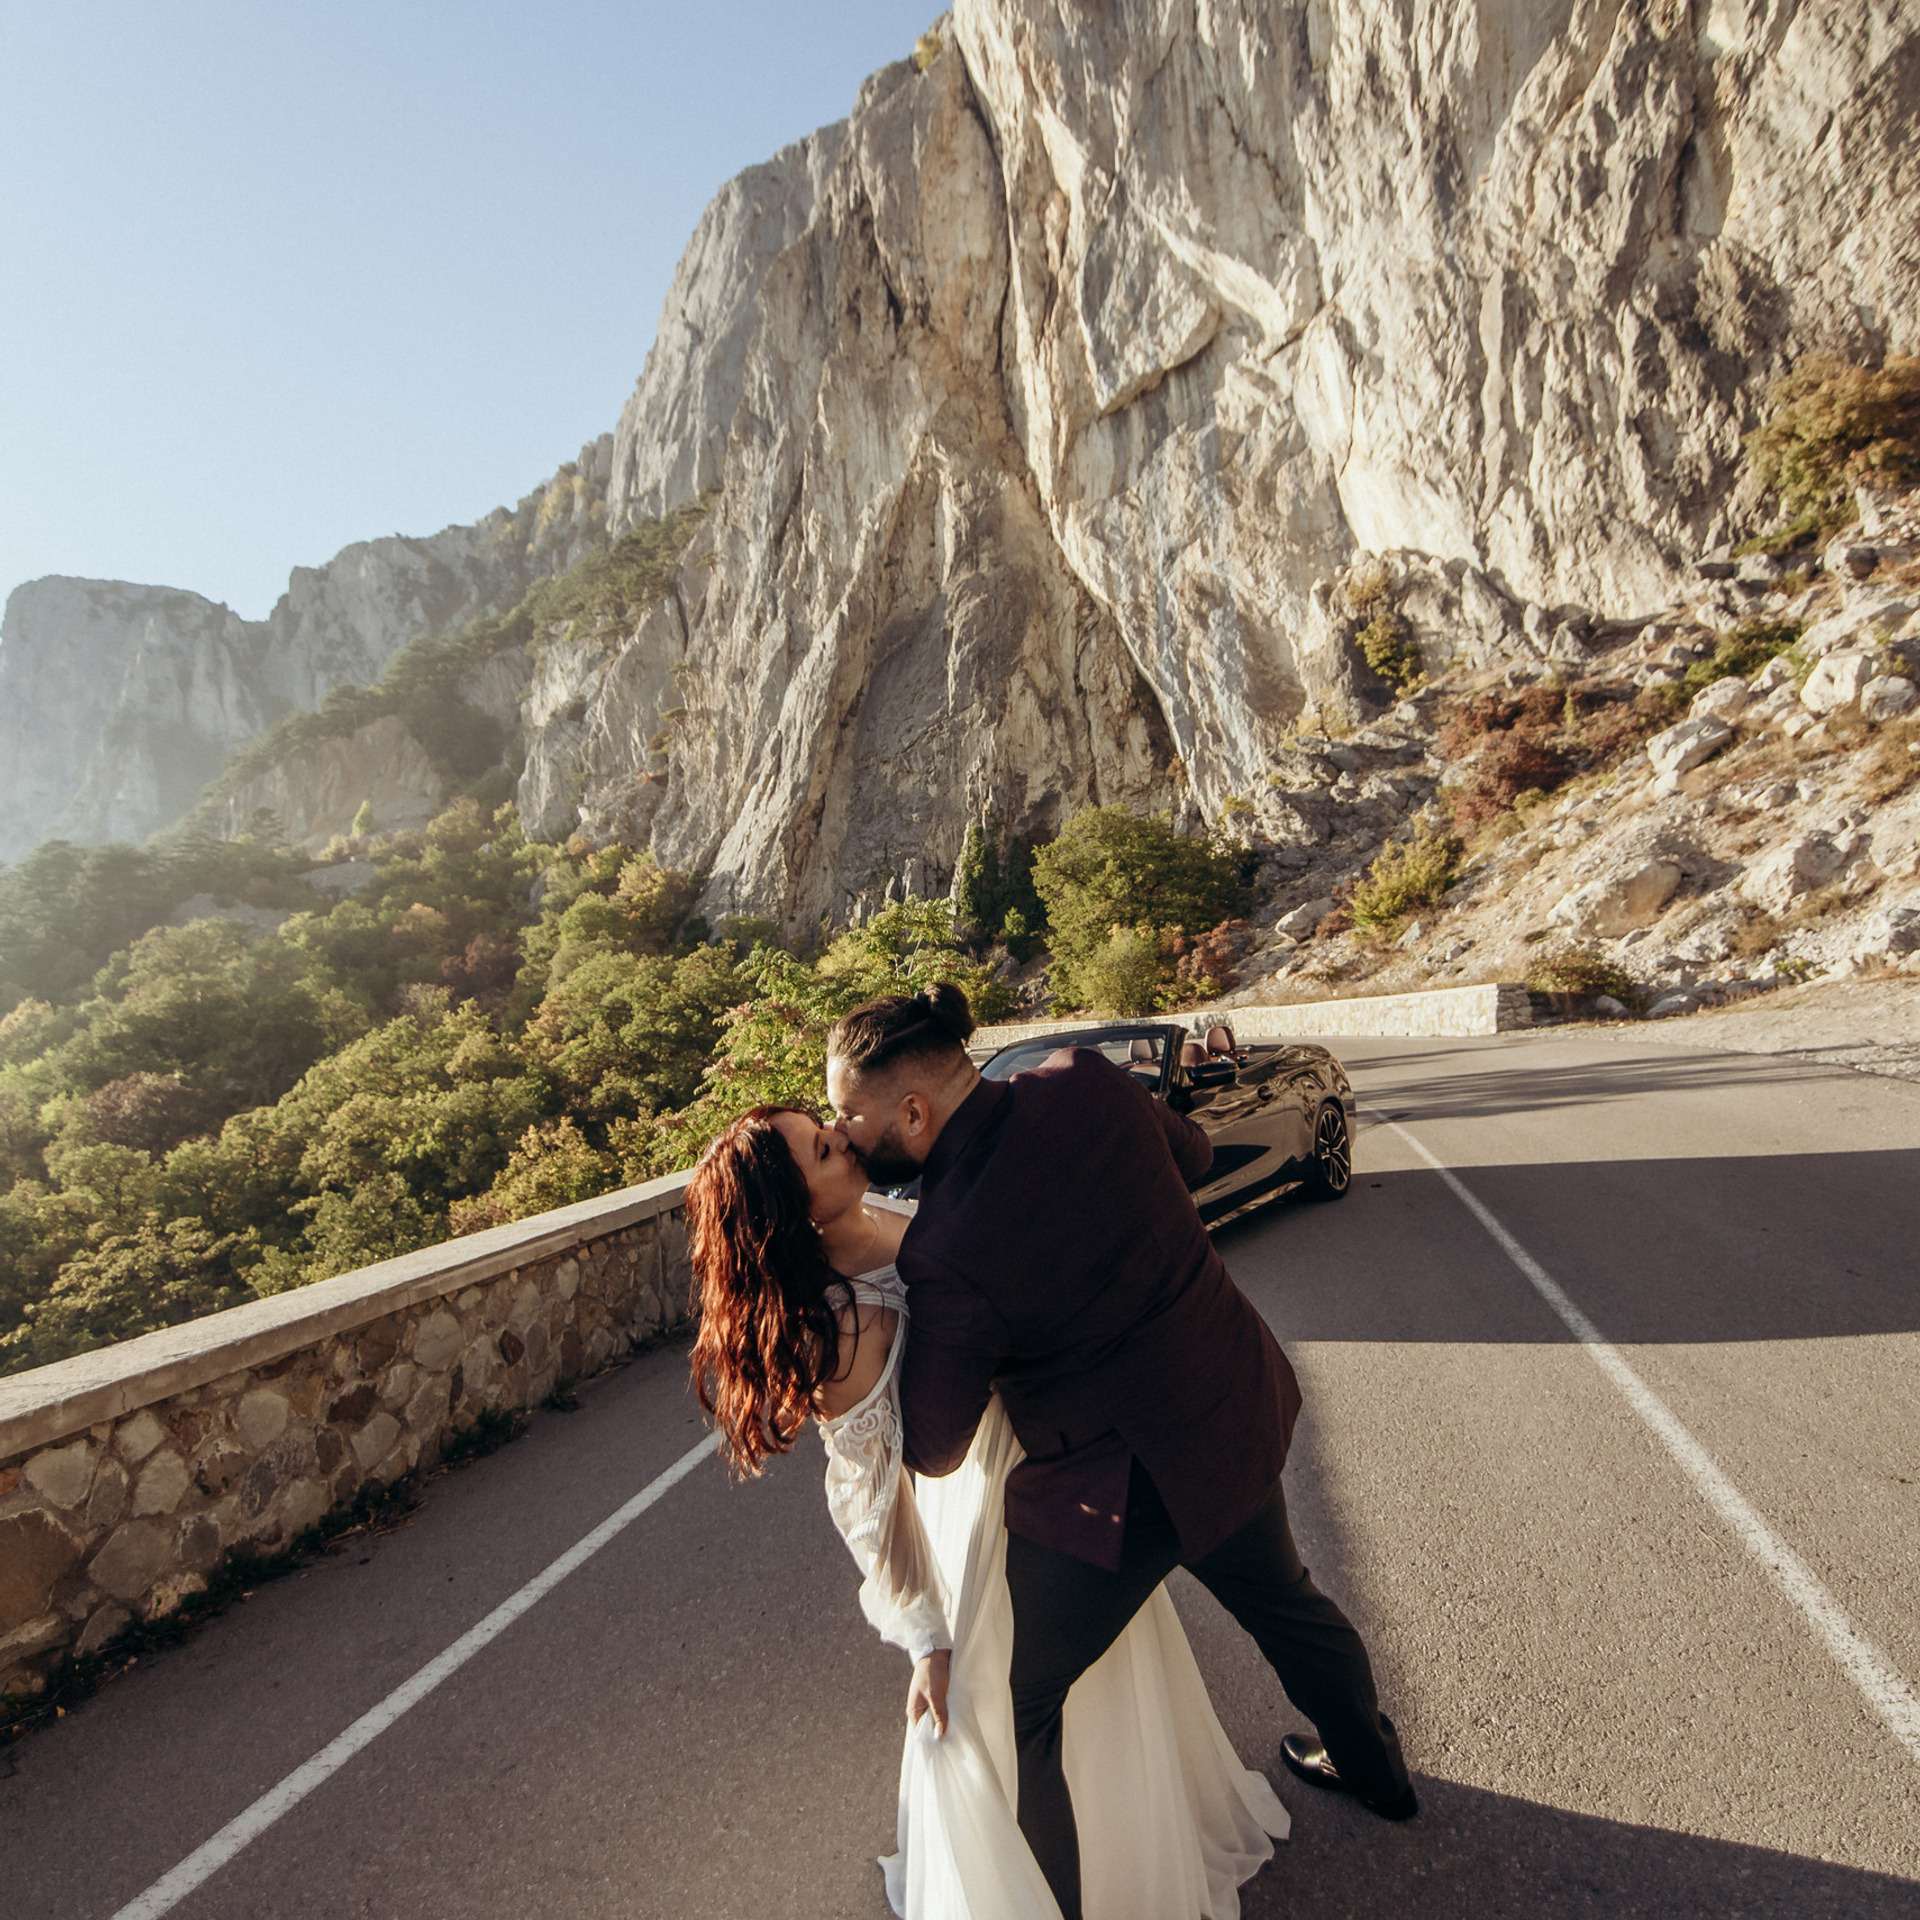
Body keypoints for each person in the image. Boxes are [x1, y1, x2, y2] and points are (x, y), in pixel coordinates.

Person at [824, 984, 1415, 1920]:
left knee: (1014, 1710)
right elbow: (1195, 1153)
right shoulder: (1085, 1082)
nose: (842, 1132)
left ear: (912, 1110)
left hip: (1124, 1495)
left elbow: (934, 1446)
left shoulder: (946, 1245)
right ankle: (1380, 1774)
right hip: (1231, 1403)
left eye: (847, 1114)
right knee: (1291, 1605)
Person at [687, 1099, 1288, 1919]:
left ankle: (1132, 1862)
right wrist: (923, 1636)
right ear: (793, 1210)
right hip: (974, 1501)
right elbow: (867, 1498)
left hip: (1048, 1460)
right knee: (989, 1710)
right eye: (822, 1153)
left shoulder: (896, 1209)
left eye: (827, 1130)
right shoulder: (836, 1331)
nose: (844, 1144)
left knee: (1098, 1683)